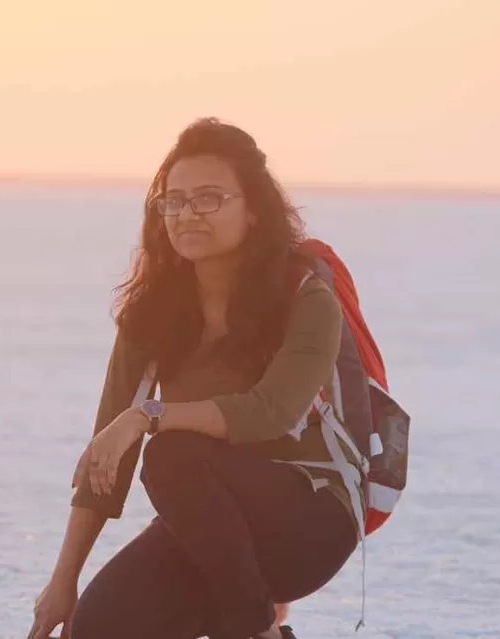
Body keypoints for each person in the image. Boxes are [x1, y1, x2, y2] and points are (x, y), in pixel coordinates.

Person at [28, 118, 360, 639]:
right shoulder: (152, 312)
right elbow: (104, 462)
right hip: (210, 523)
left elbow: (272, 411)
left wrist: (147, 417)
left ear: (253, 210)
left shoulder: (305, 299)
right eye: (174, 200)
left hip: (309, 521)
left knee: (172, 452)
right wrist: (62, 581)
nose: (187, 214)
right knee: (97, 628)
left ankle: (253, 630)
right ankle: (253, 625)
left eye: (209, 198)